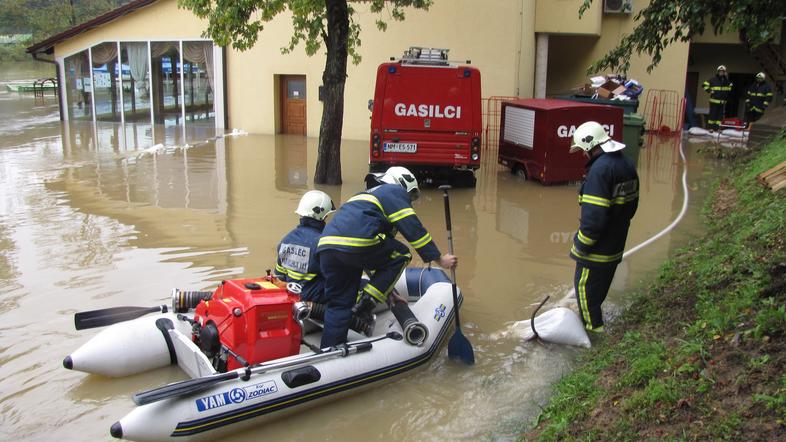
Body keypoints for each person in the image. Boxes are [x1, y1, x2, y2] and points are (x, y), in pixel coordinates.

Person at [316, 166, 457, 348]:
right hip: (358, 245)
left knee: (338, 304)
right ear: (403, 184)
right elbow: (413, 228)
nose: (410, 202)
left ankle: (329, 351)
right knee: (402, 253)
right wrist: (439, 259)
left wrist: (389, 293)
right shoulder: (393, 191)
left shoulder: (361, 198)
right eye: (411, 196)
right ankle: (367, 304)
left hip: (327, 249)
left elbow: (368, 258)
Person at [568, 122, 639, 332]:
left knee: (585, 294)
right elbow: (631, 206)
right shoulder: (626, 163)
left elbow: (593, 220)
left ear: (591, 147)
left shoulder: (600, 171)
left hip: (596, 251)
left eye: (583, 150)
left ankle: (594, 338)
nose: (582, 155)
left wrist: (580, 246)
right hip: (615, 243)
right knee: (597, 296)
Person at [275, 190, 336, 303]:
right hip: (314, 298)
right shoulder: (322, 243)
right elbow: (334, 276)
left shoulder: (286, 240)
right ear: (324, 216)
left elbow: (279, 275)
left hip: (291, 296)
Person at [702, 65, 733, 131]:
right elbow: (704, 85)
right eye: (720, 71)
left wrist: (726, 78)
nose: (721, 73)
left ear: (724, 72)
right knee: (713, 115)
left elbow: (730, 87)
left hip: (722, 102)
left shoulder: (726, 81)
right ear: (718, 72)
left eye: (723, 72)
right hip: (714, 101)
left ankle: (717, 128)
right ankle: (710, 127)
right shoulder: (713, 79)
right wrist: (710, 91)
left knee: (720, 116)